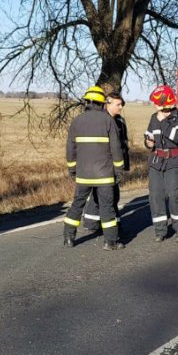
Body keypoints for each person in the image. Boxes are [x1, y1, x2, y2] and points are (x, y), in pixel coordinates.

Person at [63, 86, 126, 250]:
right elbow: (116, 149)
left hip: (83, 175)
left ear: (87, 102)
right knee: (107, 208)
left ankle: (68, 238)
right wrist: (119, 170)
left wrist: (72, 169)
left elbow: (70, 149)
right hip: (104, 175)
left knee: (77, 205)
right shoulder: (108, 121)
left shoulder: (77, 121)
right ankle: (110, 242)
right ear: (101, 103)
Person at [145, 85, 178, 242]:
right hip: (156, 161)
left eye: (156, 102)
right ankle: (160, 231)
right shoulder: (153, 118)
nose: (154, 105)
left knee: (173, 194)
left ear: (164, 102)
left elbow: (177, 137)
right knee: (155, 195)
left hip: (174, 161)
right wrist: (148, 143)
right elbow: (149, 136)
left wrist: (163, 121)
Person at [81, 93, 128, 233]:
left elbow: (123, 145)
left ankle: (102, 222)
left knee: (111, 194)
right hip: (102, 164)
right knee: (105, 194)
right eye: (118, 104)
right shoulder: (101, 120)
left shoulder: (120, 121)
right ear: (108, 103)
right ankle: (95, 223)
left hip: (114, 164)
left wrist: (123, 165)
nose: (120, 107)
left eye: (121, 105)